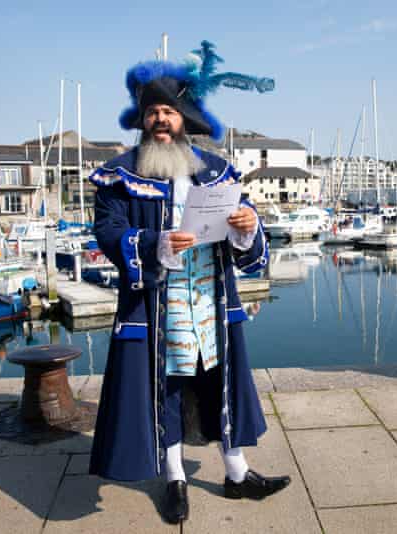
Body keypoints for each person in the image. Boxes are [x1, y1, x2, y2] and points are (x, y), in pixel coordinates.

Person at [88, 42, 289, 524]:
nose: (161, 119)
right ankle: (176, 477)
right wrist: (156, 242)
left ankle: (237, 473)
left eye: (169, 111)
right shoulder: (119, 175)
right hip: (156, 307)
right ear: (142, 119)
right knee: (168, 389)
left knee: (221, 385)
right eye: (153, 111)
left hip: (213, 304)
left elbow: (249, 236)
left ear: (185, 118)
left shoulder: (218, 171)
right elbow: (107, 230)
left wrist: (245, 229)